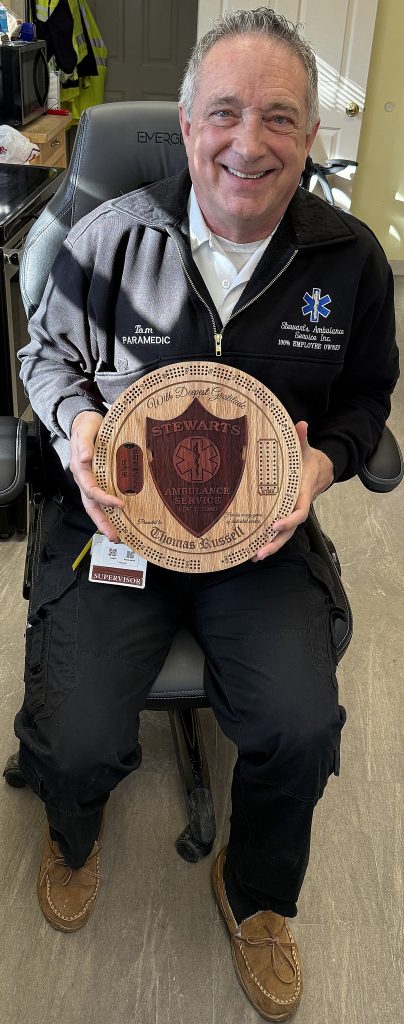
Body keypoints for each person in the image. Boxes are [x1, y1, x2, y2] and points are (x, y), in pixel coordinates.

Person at [15, 8, 398, 1021]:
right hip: (117, 525)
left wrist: (322, 463)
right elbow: (43, 358)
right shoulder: (104, 240)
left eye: (279, 117)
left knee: (298, 725)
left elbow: (366, 402)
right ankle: (74, 824)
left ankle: (256, 889)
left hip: (258, 539)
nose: (247, 141)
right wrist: (77, 426)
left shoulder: (349, 261)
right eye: (222, 112)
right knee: (76, 734)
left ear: (308, 138)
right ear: (184, 127)